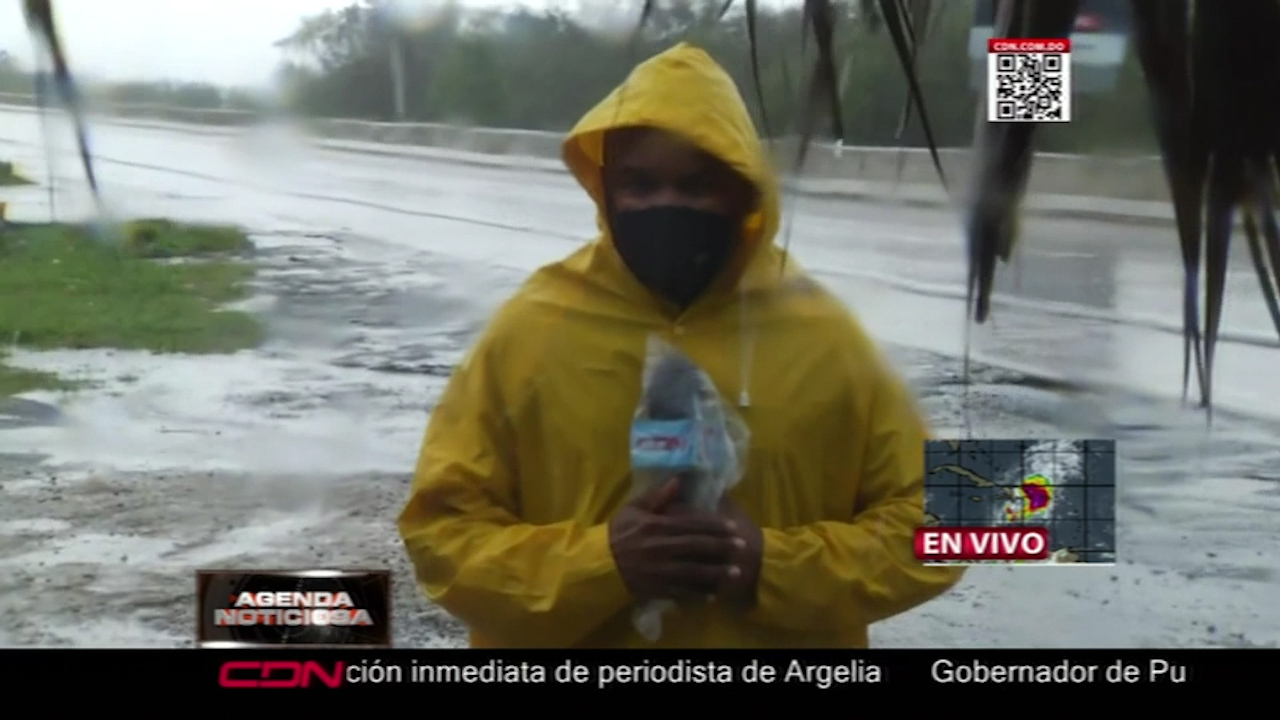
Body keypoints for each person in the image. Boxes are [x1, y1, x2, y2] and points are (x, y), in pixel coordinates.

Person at [398, 42, 965, 648]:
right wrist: (603, 562)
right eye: (639, 184)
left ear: (745, 194)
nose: (664, 206)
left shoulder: (824, 335)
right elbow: (442, 533)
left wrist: (769, 565)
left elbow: (946, 520)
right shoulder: (532, 330)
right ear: (605, 188)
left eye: (696, 186)